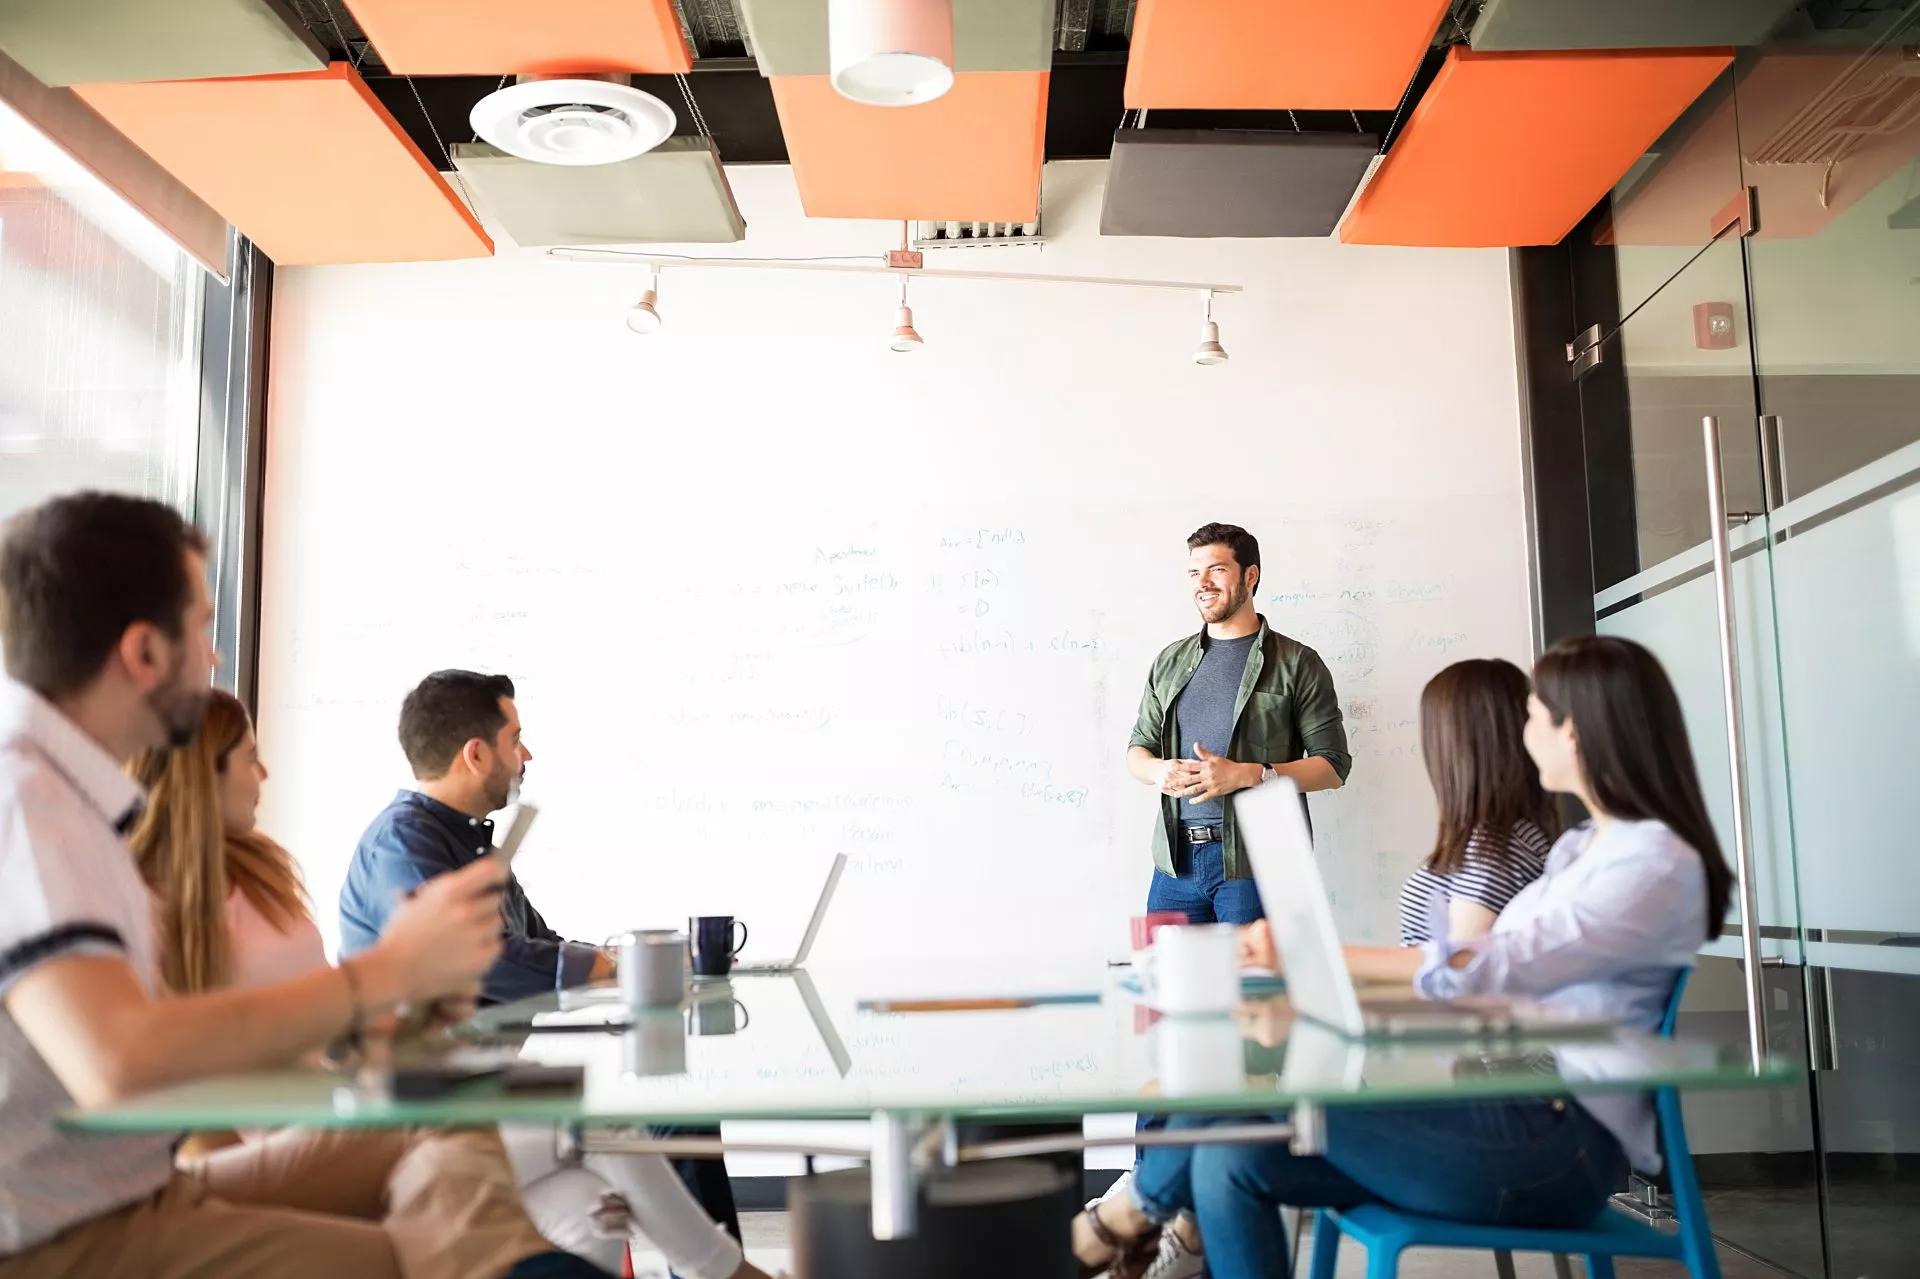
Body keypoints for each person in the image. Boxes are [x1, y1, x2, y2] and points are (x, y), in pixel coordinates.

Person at [0, 491, 604, 1279]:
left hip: (149, 1186)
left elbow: (174, 1052)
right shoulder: (29, 806)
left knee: (445, 1114)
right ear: (145, 652)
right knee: (401, 1254)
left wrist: (370, 1038)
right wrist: (383, 975)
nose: (214, 659)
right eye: (201, 630)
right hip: (74, 1235)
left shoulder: (75, 803)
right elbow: (116, 1061)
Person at [1075, 635, 1735, 1279]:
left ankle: (1122, 1217)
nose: (1522, 729)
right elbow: (1485, 977)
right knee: (1231, 1160)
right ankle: (1131, 1214)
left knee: (1244, 1095)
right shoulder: (1579, 849)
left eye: (1534, 714)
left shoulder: (1652, 860)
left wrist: (1315, 957)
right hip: (1510, 1119)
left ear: (1577, 731)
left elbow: (1498, 963)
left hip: (1552, 1145)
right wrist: (1319, 986)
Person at [130, 689, 771, 1279]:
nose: (264, 774)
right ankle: (726, 1272)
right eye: (250, 758)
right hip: (309, 1133)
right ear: (199, 773)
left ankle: (717, 1269)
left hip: (355, 1096)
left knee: (586, 1202)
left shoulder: (260, 871)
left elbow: (522, 946)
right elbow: (180, 1084)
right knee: (585, 1114)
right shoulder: (155, 903)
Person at [1102, 657, 1556, 1276]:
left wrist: (1320, 980)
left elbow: (1461, 984)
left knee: (1235, 1098)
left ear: (1461, 742)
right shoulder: (1482, 839)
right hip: (1439, 1085)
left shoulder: (1498, 848)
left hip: (1472, 1105)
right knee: (1230, 1124)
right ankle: (1159, 1222)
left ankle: (1124, 1221)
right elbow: (1438, 978)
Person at [338, 670, 741, 1252]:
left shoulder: (471, 841)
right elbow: (481, 961)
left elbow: (539, 941)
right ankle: (723, 1271)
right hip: (431, 1102)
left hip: (486, 1081)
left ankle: (716, 1269)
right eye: (515, 738)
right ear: (476, 754)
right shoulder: (403, 845)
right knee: (629, 1121)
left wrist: (617, 962)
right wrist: (605, 967)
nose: (526, 754)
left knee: (659, 1129)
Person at [1126, 522, 1351, 927]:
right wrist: (1159, 770)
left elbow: (1332, 767)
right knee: (1170, 984)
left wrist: (1249, 775)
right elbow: (1138, 750)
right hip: (1174, 867)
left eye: (1217, 569)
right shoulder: (1169, 662)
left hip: (1257, 866)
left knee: (1254, 990)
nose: (1203, 583)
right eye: (1195, 573)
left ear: (1251, 575)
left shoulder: (1298, 663)